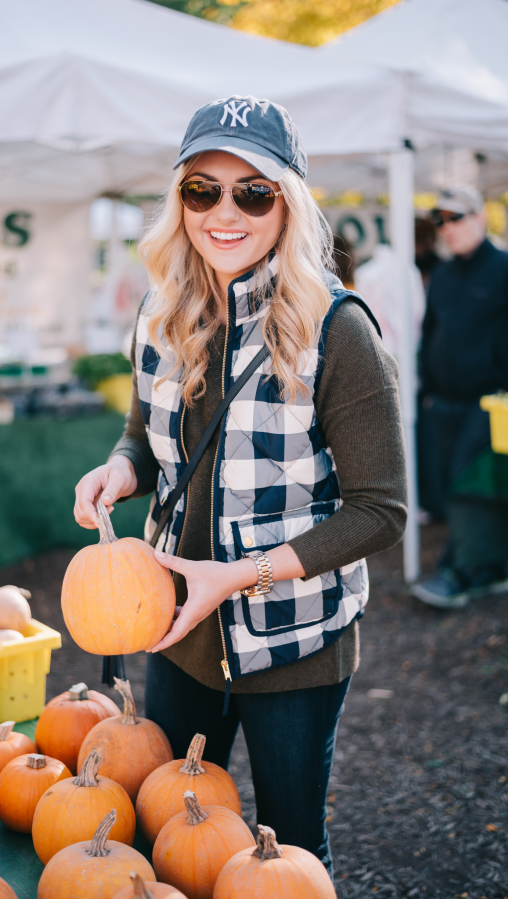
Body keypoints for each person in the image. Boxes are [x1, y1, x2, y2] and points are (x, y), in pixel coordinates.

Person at [74, 96, 407, 876]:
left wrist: (241, 575)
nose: (225, 212)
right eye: (203, 189)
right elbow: (146, 437)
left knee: (286, 848)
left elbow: (380, 509)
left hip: (294, 638)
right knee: (174, 835)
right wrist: (121, 467)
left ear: (287, 202)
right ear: (179, 199)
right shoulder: (159, 313)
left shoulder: (337, 329)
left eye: (252, 192)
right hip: (176, 628)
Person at [413, 185, 508, 608]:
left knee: (467, 483)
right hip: (443, 402)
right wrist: (426, 390)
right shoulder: (444, 275)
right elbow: (429, 332)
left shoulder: (503, 268)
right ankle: (487, 566)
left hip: (490, 402)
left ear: (479, 218)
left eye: (456, 218)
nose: (447, 228)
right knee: (455, 484)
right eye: (441, 220)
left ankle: (463, 572)